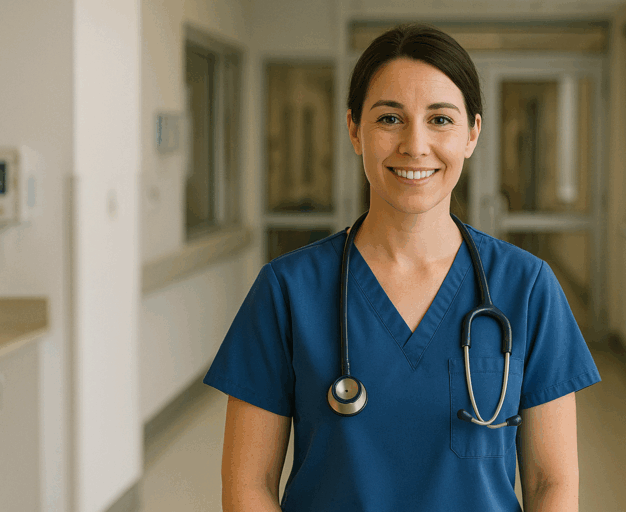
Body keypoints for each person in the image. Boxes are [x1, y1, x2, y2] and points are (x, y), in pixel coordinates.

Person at [204, 23, 601, 511]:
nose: (415, 145)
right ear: (355, 130)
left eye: (440, 119)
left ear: (472, 133)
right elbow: (249, 484)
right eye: (390, 118)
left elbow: (551, 484)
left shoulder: (527, 288)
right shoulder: (287, 291)